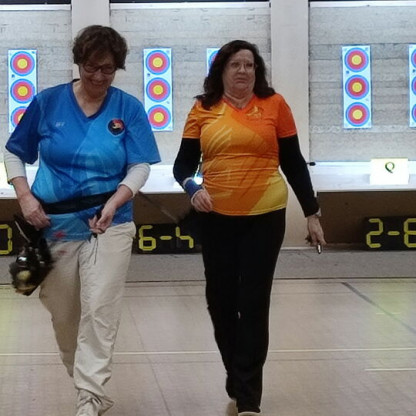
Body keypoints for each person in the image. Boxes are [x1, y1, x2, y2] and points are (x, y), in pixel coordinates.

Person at [4, 25, 160, 416]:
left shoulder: (128, 108)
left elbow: (140, 165)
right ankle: (86, 384)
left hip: (110, 222)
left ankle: (89, 398)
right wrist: (25, 196)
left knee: (100, 309)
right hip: (55, 226)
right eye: (92, 67)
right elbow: (14, 152)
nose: (99, 76)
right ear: (78, 63)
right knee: (65, 315)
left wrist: (117, 200)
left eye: (108, 69)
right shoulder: (47, 103)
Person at [173, 40, 326, 416]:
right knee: (220, 301)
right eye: (235, 64)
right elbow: (182, 166)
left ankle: (248, 397)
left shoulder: (275, 105)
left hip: (265, 215)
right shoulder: (203, 108)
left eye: (250, 65)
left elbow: (294, 162)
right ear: (222, 70)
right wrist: (193, 188)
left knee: (254, 302)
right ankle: (236, 372)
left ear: (257, 72)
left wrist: (312, 213)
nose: (243, 71)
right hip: (216, 217)